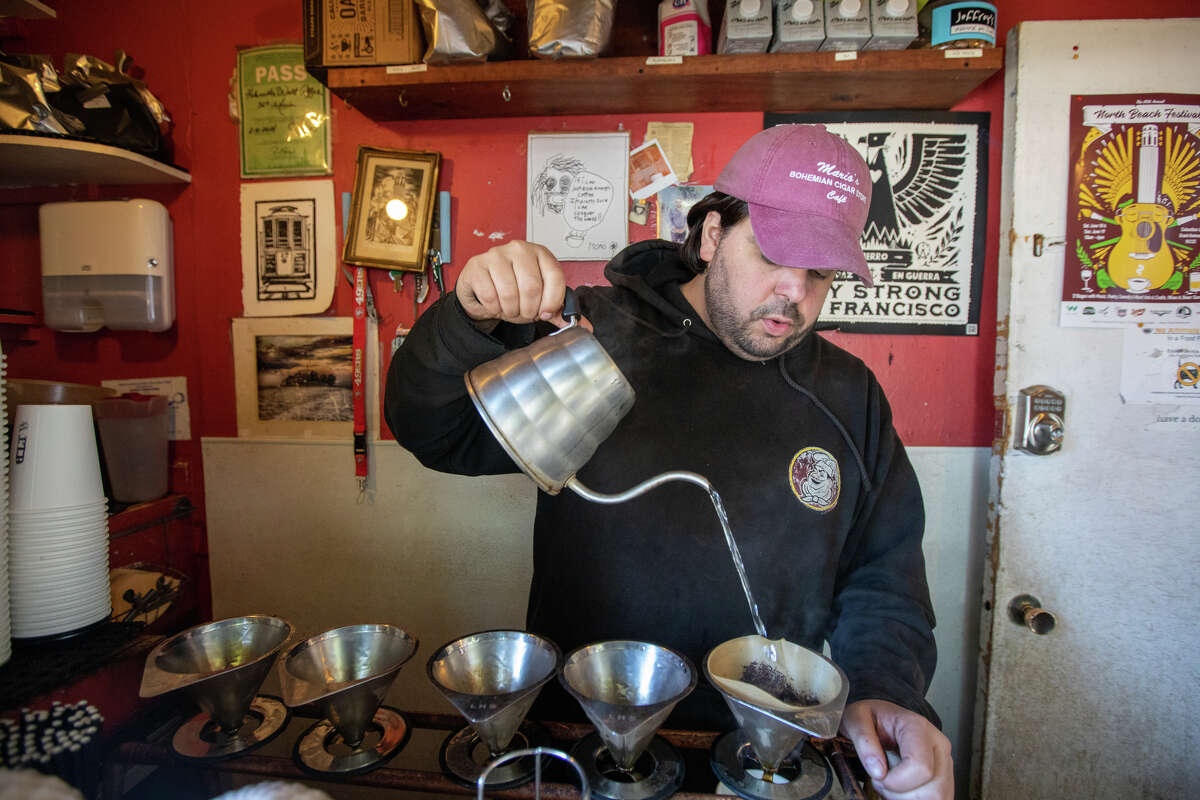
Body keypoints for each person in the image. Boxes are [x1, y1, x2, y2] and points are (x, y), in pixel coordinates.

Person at [385, 124, 953, 800]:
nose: (793, 294)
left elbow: (883, 575)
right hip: (583, 747)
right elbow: (434, 430)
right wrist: (465, 319)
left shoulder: (847, 395)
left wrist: (887, 689)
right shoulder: (593, 336)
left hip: (761, 756)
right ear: (711, 235)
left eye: (821, 272)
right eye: (773, 253)